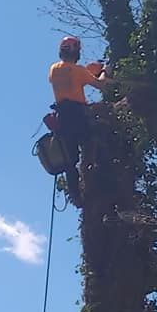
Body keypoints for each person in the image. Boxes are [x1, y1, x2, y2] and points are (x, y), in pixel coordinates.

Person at [49, 35, 109, 205]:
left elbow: (73, 77)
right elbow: (100, 84)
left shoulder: (54, 69)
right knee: (93, 142)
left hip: (63, 118)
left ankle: (76, 196)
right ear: (76, 51)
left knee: (70, 161)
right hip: (78, 115)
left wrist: (89, 70)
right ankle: (94, 176)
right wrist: (104, 71)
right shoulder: (79, 71)